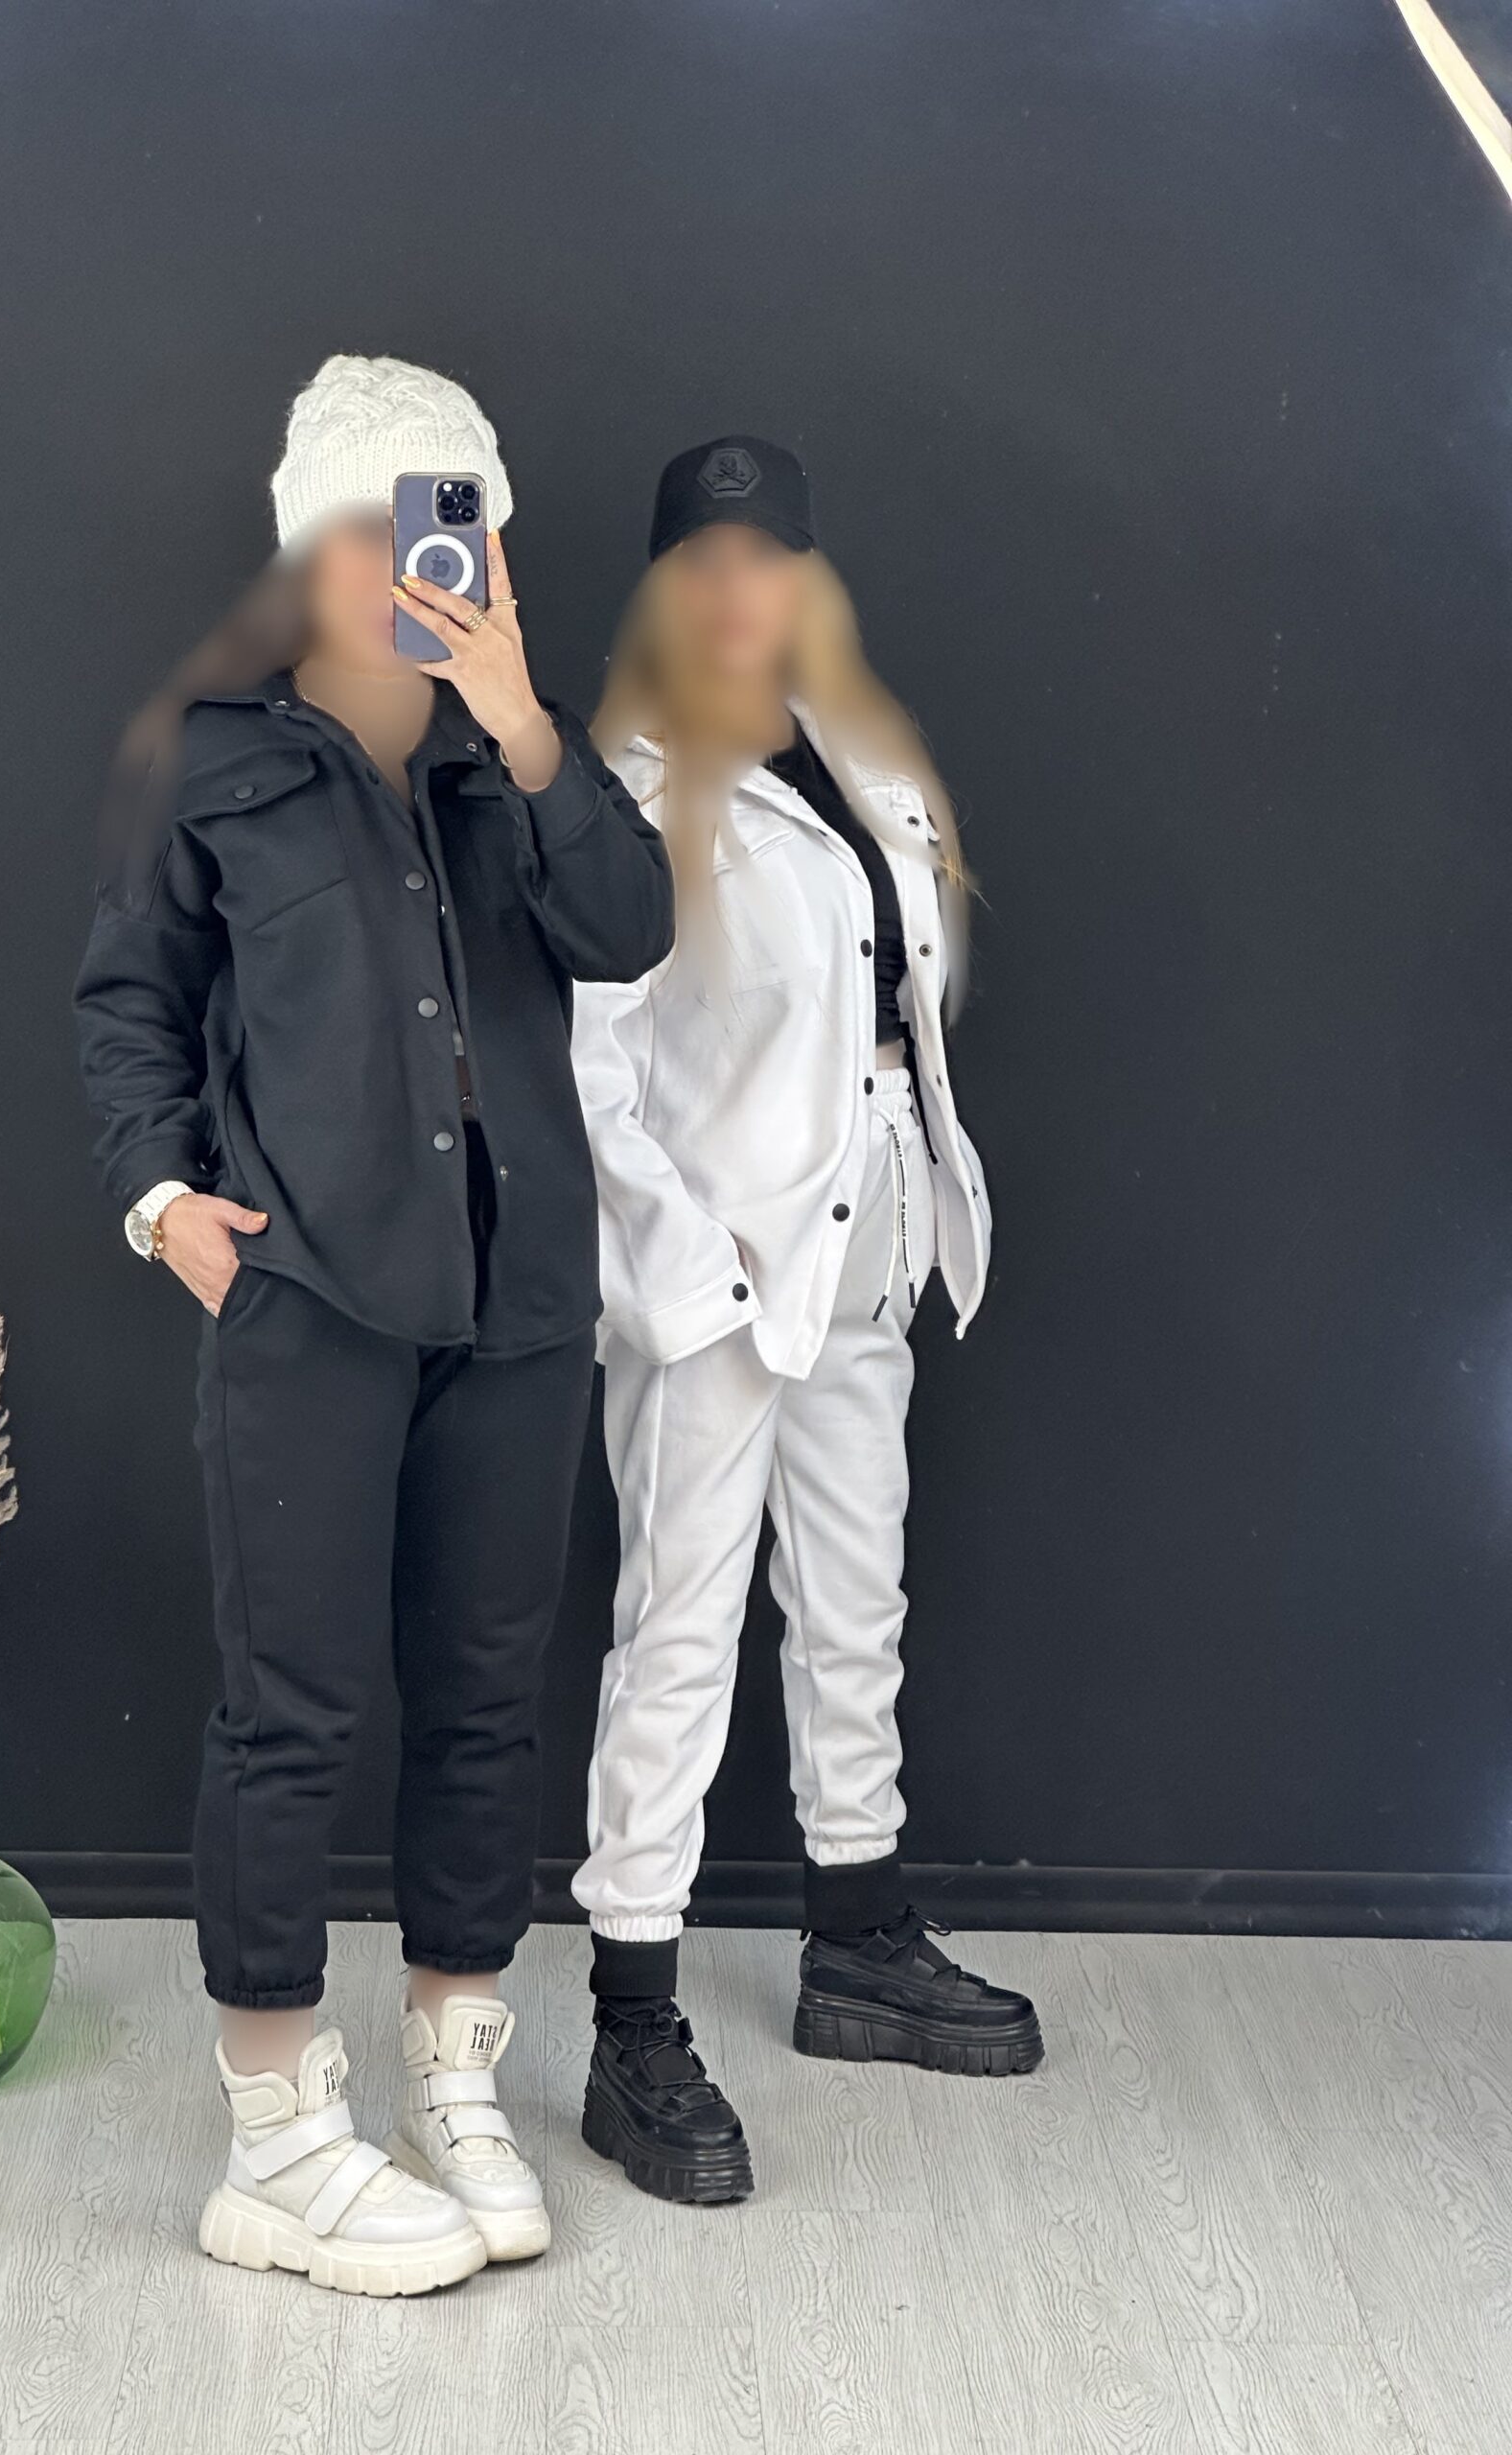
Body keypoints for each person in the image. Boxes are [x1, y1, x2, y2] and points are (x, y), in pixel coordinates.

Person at [75, 355, 674, 2291]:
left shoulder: (523, 761)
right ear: (304, 548)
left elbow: (630, 929)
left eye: (438, 521)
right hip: (312, 1298)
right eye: (365, 523)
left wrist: (523, 723)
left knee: (488, 1696)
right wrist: (164, 1204)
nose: (399, 560)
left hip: (520, 1301)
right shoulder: (212, 760)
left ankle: (452, 2075)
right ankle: (271, 2134)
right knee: (293, 1707)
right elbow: (129, 1001)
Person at [568, 435, 1041, 2206]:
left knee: (856, 1601)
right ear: (665, 585)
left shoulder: (859, 761)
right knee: (677, 1633)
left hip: (869, 1250)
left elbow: (899, 1003)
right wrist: (686, 1278)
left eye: (768, 557)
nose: (738, 590)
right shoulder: (626, 792)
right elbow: (588, 1075)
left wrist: (907, 1192)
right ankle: (632, 2014)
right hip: (718, 1282)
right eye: (705, 559)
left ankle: (860, 1934)